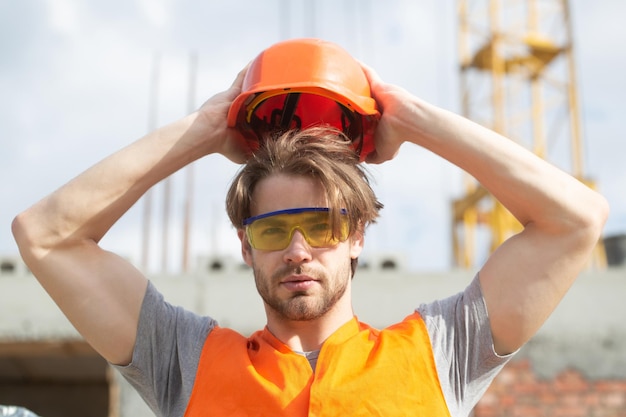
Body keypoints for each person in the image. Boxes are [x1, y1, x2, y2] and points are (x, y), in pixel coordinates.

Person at [12, 39, 608, 417]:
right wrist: (205, 127)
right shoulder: (184, 362)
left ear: (356, 237)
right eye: (273, 231)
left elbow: (575, 220)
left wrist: (410, 117)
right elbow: (45, 235)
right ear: (245, 246)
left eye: (321, 225)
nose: (298, 251)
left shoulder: (439, 352)